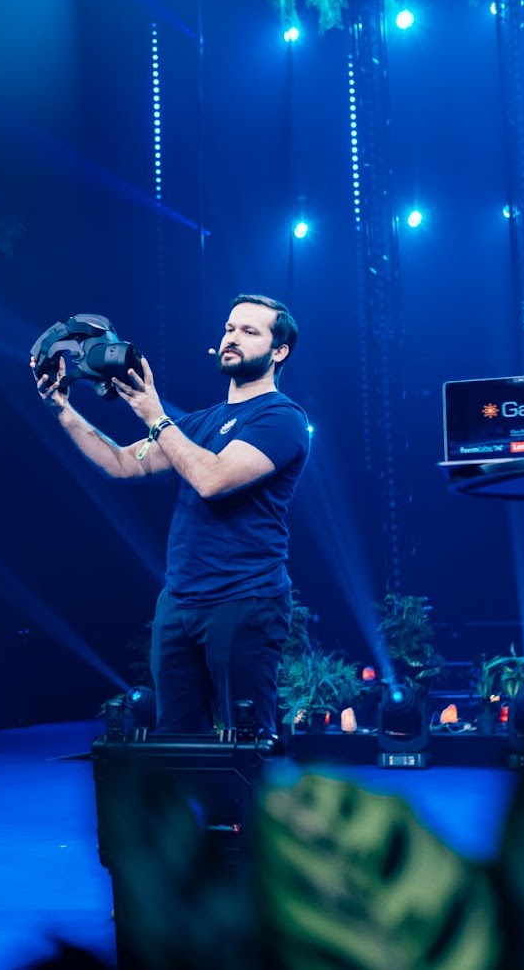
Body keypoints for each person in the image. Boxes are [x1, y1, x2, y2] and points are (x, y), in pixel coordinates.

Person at [34, 294, 310, 736]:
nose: (232, 338)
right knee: (178, 742)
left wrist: (157, 417)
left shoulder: (282, 418)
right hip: (180, 603)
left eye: (249, 331)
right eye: (229, 328)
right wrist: (63, 410)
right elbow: (122, 464)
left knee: (248, 743)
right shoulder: (201, 424)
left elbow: (213, 480)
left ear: (279, 352)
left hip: (244, 602)